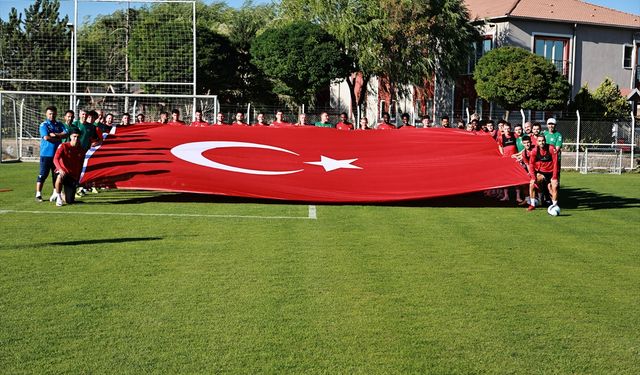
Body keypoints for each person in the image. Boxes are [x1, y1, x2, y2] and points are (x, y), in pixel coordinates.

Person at [35, 106, 67, 202]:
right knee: (43, 174)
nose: (52, 115)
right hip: (46, 154)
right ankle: (38, 194)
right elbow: (46, 138)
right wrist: (58, 138)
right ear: (46, 114)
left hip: (57, 155)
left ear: (56, 114)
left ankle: (55, 193)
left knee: (56, 175)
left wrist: (56, 135)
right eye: (50, 113)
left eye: (53, 113)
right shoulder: (43, 125)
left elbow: (66, 133)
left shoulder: (59, 124)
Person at [51, 129, 85, 206]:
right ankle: (58, 196)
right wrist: (60, 169)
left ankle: (61, 194)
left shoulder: (81, 150)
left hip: (72, 175)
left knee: (69, 200)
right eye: (74, 136)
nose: (76, 138)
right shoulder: (63, 146)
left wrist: (78, 177)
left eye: (78, 137)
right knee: (60, 176)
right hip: (62, 171)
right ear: (70, 137)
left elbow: (81, 164)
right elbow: (55, 159)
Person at [527, 134, 559, 211]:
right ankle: (532, 204)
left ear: (545, 141)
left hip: (551, 172)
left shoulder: (551, 148)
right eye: (540, 141)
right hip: (541, 172)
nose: (542, 142)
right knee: (532, 184)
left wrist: (554, 177)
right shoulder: (535, 151)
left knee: (554, 186)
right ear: (537, 142)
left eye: (543, 140)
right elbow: (531, 164)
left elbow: (556, 163)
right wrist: (533, 177)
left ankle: (554, 206)